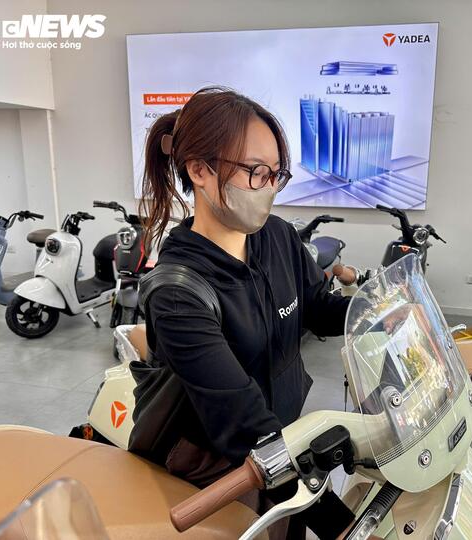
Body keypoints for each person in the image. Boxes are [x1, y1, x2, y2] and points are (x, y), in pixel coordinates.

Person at [132, 86, 355, 539]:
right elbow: (240, 421)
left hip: (283, 439)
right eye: (256, 172)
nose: (269, 188)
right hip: (219, 466)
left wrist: (377, 312)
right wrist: (342, 526)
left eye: (276, 174)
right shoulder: (177, 293)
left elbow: (318, 308)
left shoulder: (278, 237)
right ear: (199, 170)